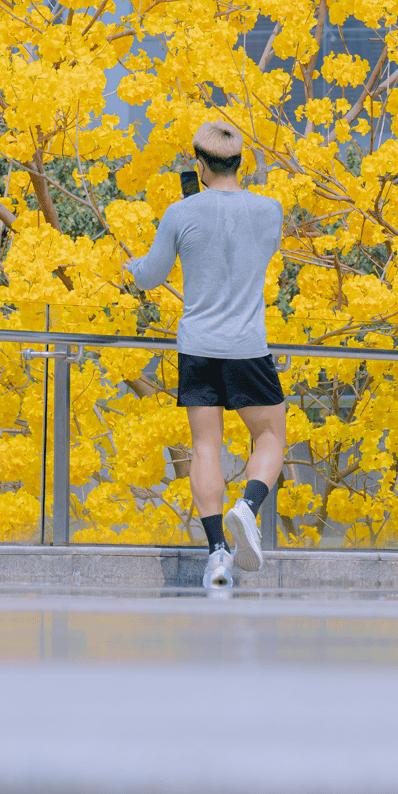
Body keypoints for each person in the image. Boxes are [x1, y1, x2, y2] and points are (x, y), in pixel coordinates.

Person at [124, 121, 286, 588]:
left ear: (198, 164)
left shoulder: (181, 211)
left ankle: (218, 553)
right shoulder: (270, 210)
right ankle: (247, 507)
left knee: (205, 447)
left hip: (197, 346)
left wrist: (131, 268)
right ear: (242, 163)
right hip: (247, 346)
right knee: (271, 436)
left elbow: (150, 276)